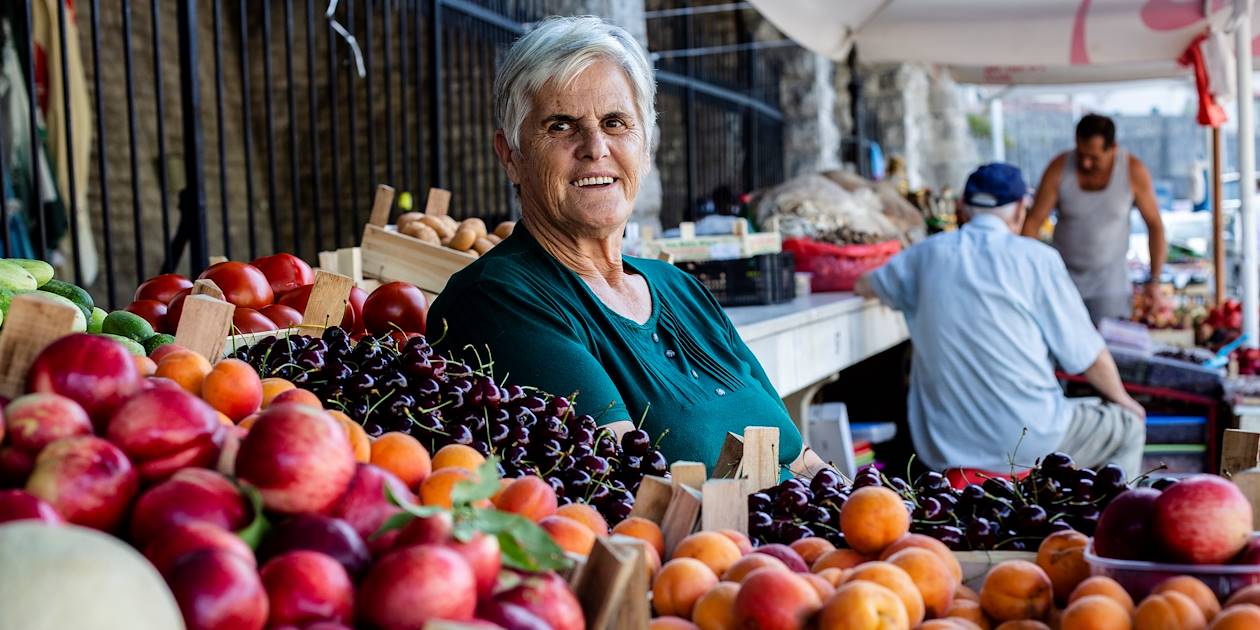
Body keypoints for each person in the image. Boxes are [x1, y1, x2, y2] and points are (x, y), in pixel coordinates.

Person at [427, 17, 807, 475]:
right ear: (511, 156)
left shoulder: (681, 288)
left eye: (615, 122)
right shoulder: (496, 299)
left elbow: (803, 462)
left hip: (803, 539)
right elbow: (632, 483)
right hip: (706, 546)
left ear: (644, 149)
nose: (595, 147)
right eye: (561, 126)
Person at [856, 163, 1146, 476]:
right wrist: (1125, 401)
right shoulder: (1037, 259)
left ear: (962, 209)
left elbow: (865, 284)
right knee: (1129, 427)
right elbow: (1088, 355)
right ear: (1021, 210)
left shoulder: (924, 256)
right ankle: (1114, 523)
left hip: (942, 450)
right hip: (1031, 440)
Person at [1021, 113, 1167, 325]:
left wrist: (1154, 280)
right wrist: (1029, 274)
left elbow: (1155, 226)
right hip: (1063, 284)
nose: (1086, 163)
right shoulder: (1059, 168)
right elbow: (1032, 222)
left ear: (1113, 148)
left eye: (1094, 158)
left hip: (1111, 289)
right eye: (1081, 155)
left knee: (1111, 353)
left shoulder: (1133, 171)